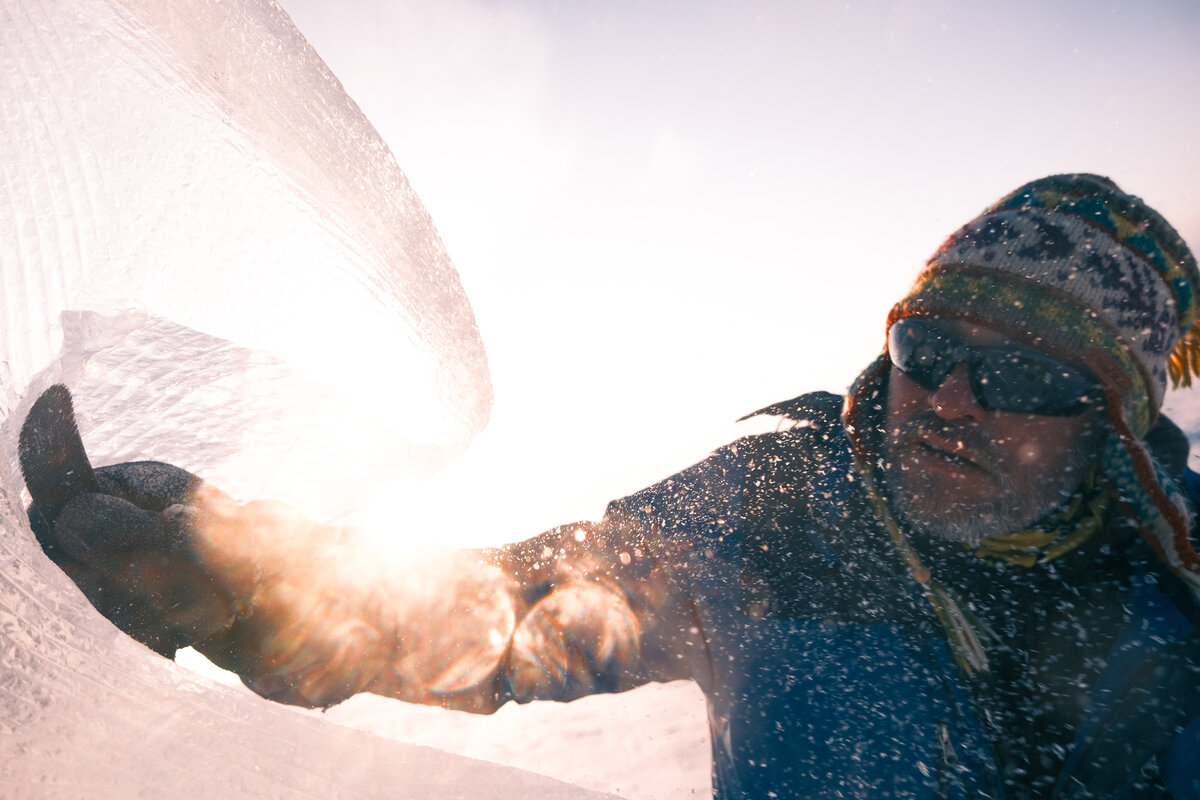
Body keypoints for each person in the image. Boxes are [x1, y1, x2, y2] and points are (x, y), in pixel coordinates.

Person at [18, 174, 1200, 799]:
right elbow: (501, 612)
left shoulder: (1178, 599)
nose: (949, 401)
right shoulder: (783, 511)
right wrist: (229, 571)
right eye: (927, 354)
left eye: (1016, 374)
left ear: (1117, 426)